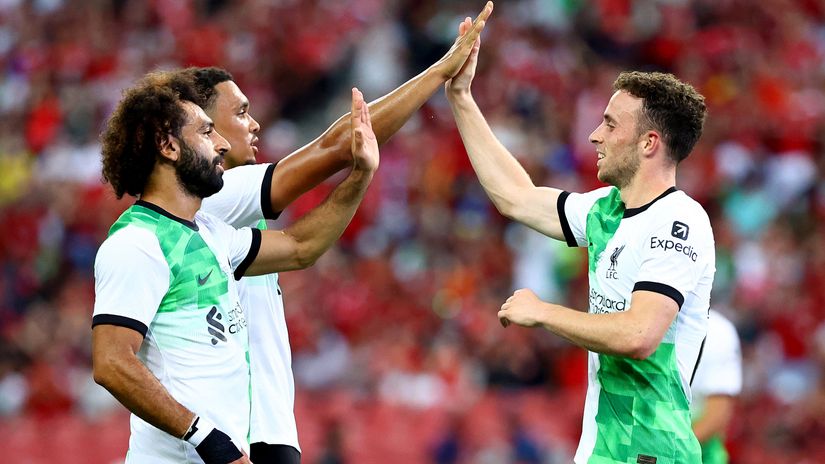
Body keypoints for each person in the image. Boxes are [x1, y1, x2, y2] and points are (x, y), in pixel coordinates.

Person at [162, 3, 493, 463]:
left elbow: (303, 247)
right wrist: (438, 72)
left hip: (263, 426)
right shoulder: (212, 197)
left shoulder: (220, 212)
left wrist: (360, 177)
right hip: (243, 433)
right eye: (240, 113)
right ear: (203, 129)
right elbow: (336, 145)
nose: (254, 124)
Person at [445, 19, 714, 464]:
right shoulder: (605, 211)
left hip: (650, 450)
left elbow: (640, 334)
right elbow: (516, 197)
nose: (595, 135)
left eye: (610, 124)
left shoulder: (679, 221)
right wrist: (461, 98)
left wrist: (543, 312)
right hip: (604, 449)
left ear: (649, 143)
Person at [91, 75, 378, 464]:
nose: (222, 144)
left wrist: (360, 176)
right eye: (206, 132)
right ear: (168, 146)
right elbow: (111, 363)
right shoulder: (137, 243)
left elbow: (300, 247)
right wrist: (206, 438)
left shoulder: (212, 234)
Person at [691, 309, 742, 464]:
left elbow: (718, 414)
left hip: (700, 454)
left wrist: (670, 451)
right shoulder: (640, 315)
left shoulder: (718, 330)